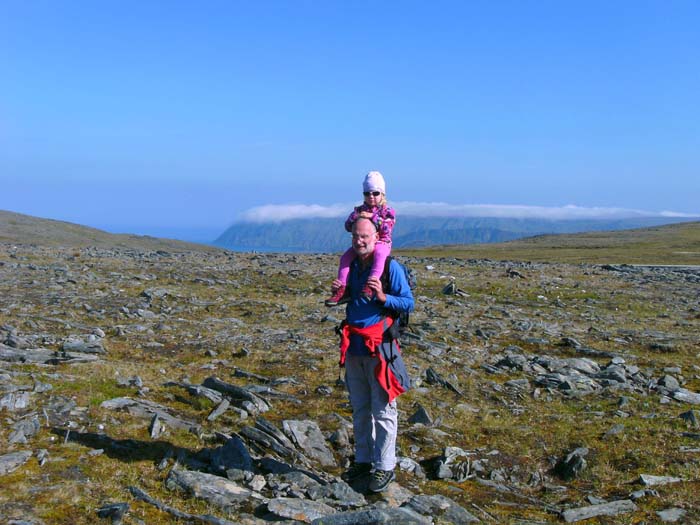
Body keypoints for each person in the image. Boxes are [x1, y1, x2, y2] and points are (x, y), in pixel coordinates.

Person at [336, 217, 414, 493]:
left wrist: (384, 298)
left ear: (376, 237)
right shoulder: (352, 266)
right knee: (360, 409)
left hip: (380, 349)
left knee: (382, 411)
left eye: (365, 237)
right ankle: (363, 460)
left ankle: (384, 467)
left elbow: (408, 302)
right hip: (355, 347)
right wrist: (340, 293)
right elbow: (354, 300)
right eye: (356, 236)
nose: (359, 241)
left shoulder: (391, 268)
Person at [325, 171, 396, 306]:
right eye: (367, 193)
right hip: (362, 243)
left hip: (382, 242)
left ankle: (371, 284)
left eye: (375, 193)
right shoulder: (358, 210)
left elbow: (387, 229)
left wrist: (372, 217)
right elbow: (347, 226)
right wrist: (355, 217)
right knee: (345, 258)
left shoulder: (388, 211)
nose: (371, 196)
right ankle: (343, 289)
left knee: (380, 255)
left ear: (382, 194)